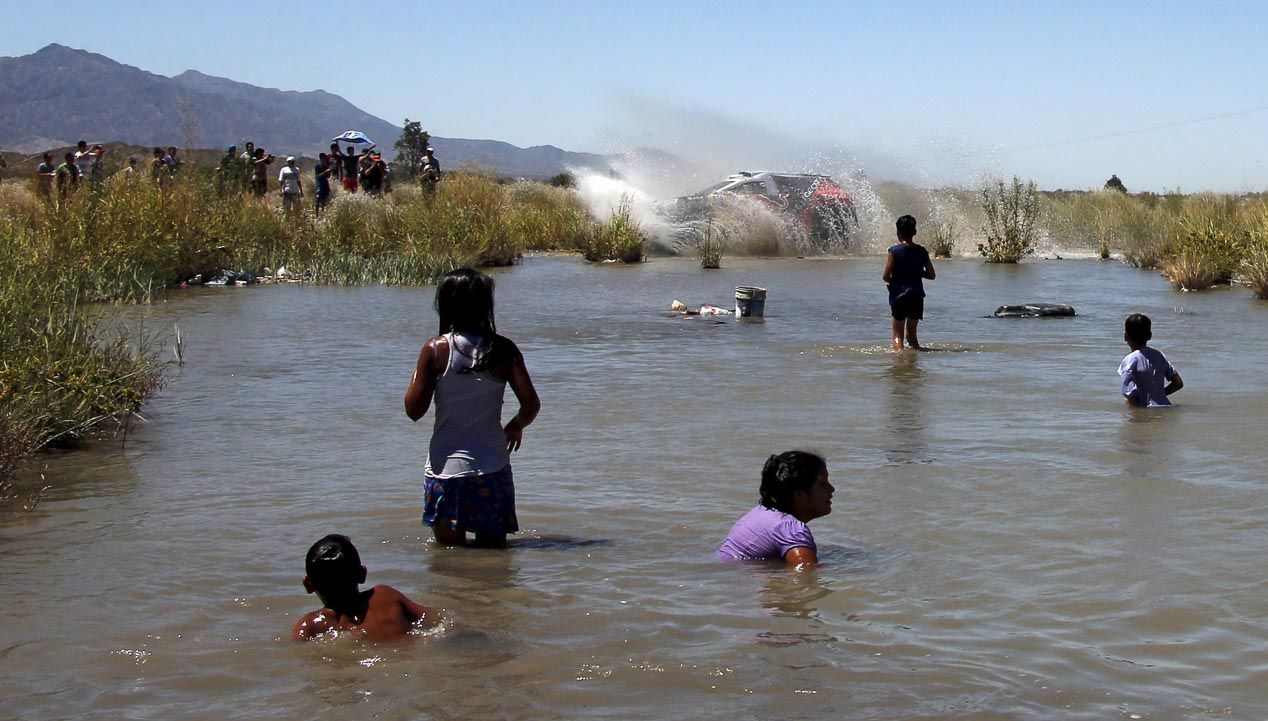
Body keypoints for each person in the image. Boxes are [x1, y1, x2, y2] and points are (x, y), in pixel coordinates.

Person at [404, 268, 541, 548]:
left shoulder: (435, 350)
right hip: (492, 467)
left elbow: (413, 410)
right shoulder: (503, 349)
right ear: (484, 305)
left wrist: (421, 372)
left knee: (448, 561)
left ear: (446, 304)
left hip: (446, 470)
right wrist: (515, 426)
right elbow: (531, 405)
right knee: (494, 560)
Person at [292, 534, 440, 641]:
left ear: (308, 585)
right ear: (362, 574)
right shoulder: (386, 596)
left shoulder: (310, 625)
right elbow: (438, 620)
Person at [717, 451, 834, 567]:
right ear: (799, 494)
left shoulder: (761, 512)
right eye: (823, 485)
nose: (832, 489)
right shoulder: (790, 529)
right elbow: (806, 577)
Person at [882, 214, 936, 351]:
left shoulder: (894, 251)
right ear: (915, 232)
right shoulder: (922, 251)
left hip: (899, 296)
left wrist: (896, 279)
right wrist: (916, 272)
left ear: (898, 232)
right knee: (912, 336)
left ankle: (899, 363)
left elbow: (886, 276)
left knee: (897, 336)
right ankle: (914, 363)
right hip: (917, 295)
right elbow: (932, 275)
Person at [1119, 313, 1183, 407]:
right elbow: (1178, 383)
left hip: (1144, 412)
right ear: (1150, 336)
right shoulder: (1159, 356)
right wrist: (1158, 396)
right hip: (1165, 408)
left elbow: (1127, 392)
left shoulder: (1129, 359)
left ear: (1125, 336)